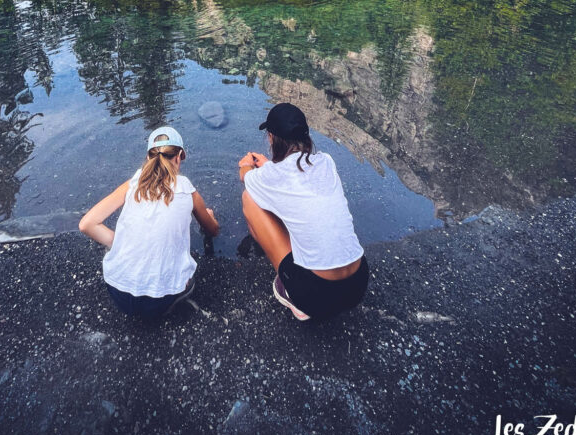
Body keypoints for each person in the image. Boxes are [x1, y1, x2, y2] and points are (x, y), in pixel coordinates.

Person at [239, 102, 368, 322]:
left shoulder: (271, 176)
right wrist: (269, 166)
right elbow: (295, 179)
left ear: (271, 137)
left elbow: (246, 177)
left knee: (249, 198)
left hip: (315, 294)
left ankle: (289, 293)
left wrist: (247, 165)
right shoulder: (326, 161)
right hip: (358, 283)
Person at [79, 126, 220, 320]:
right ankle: (177, 302)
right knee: (187, 279)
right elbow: (212, 230)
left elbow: (86, 224)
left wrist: (122, 243)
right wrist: (209, 216)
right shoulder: (187, 189)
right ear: (179, 157)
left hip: (117, 291)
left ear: (148, 157)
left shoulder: (133, 183)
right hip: (158, 301)